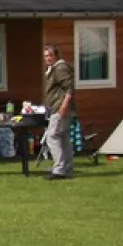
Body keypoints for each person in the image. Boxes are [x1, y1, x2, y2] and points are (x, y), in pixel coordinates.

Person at [42, 44, 77, 180]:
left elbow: (69, 89)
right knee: (63, 138)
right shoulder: (53, 69)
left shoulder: (60, 68)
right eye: (45, 56)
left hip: (60, 108)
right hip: (59, 108)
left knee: (52, 136)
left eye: (50, 55)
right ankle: (66, 168)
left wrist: (64, 106)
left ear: (56, 55)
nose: (47, 58)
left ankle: (59, 169)